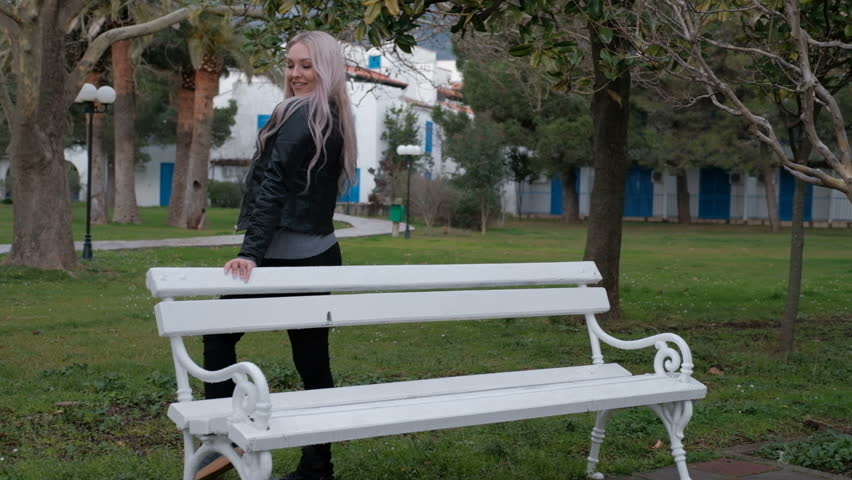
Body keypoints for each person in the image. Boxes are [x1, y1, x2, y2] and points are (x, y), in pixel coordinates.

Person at [195, 31, 357, 480]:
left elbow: (272, 189)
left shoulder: (301, 117)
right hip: (321, 252)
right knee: (311, 359)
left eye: (307, 65)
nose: (296, 74)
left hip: (285, 257)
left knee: (218, 333)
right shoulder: (332, 116)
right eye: (290, 64)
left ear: (327, 67)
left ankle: (226, 440)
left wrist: (251, 253)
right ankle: (318, 465)